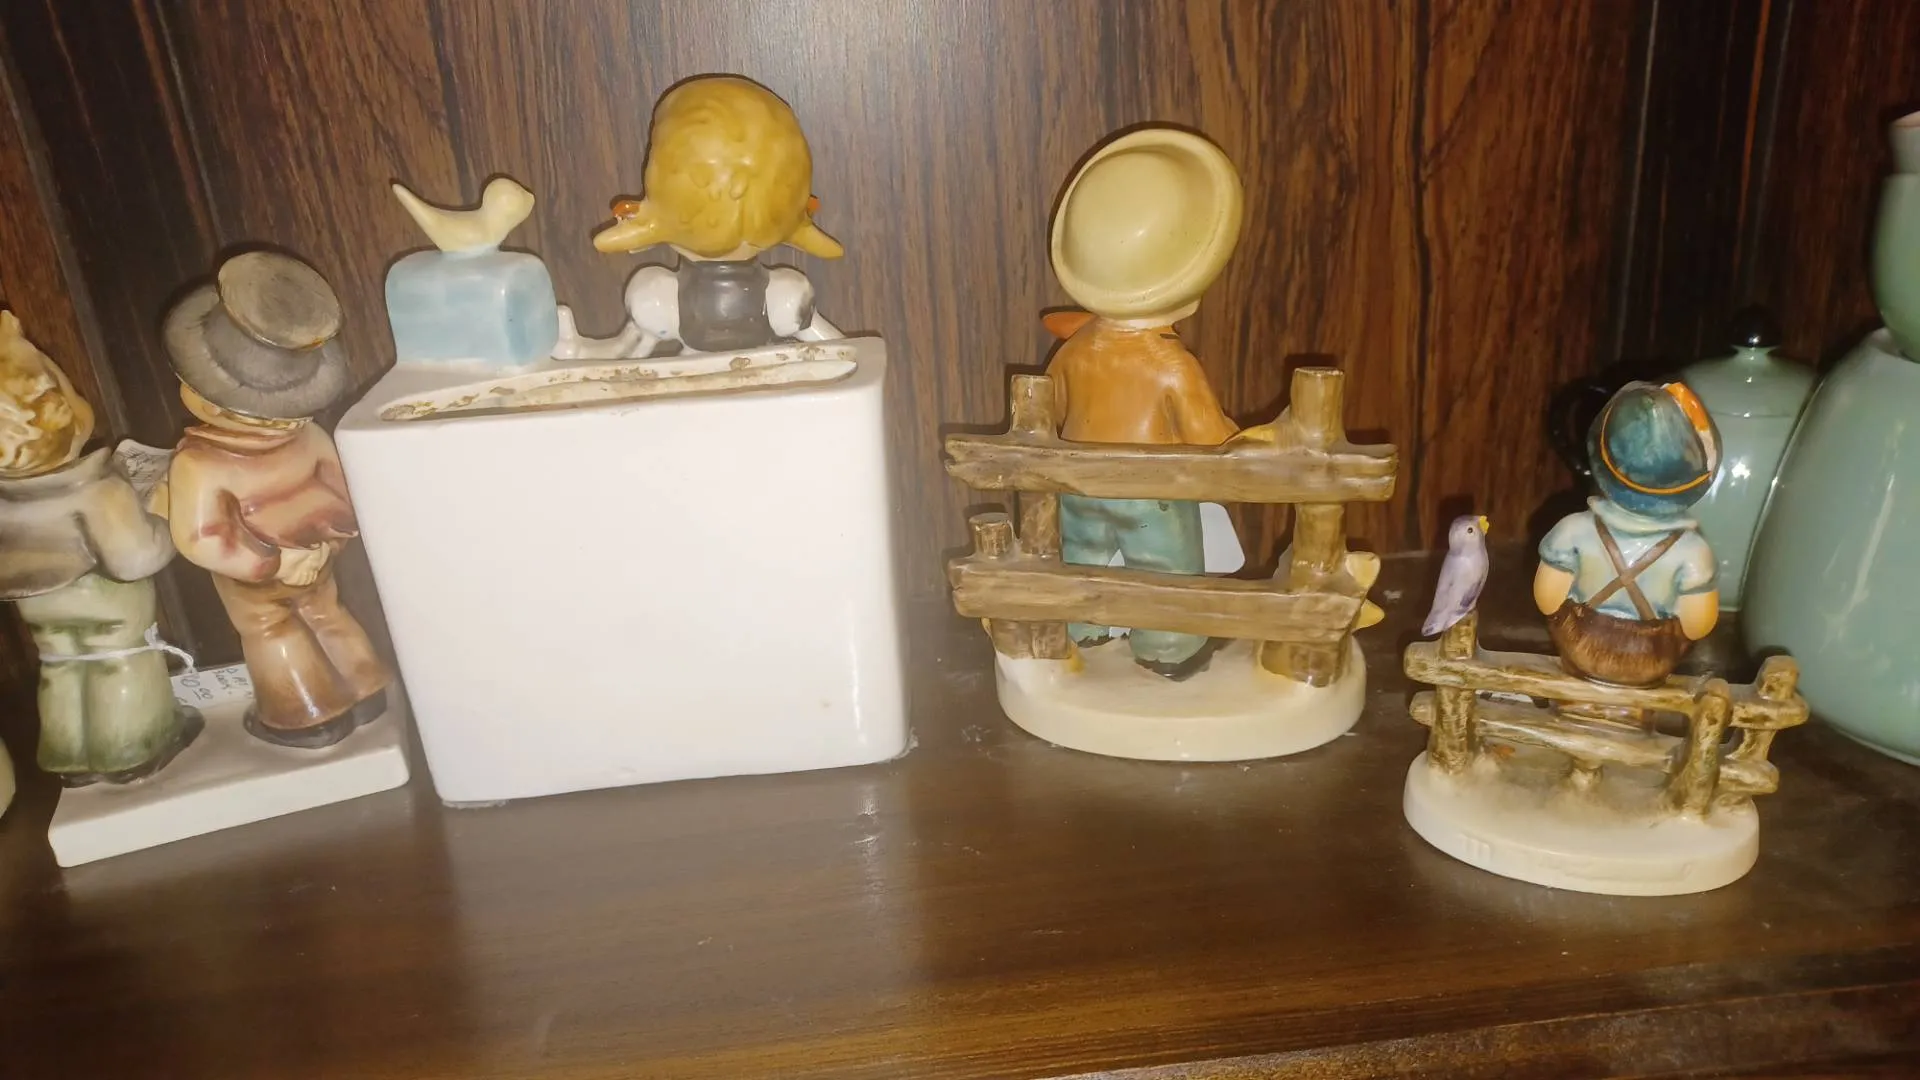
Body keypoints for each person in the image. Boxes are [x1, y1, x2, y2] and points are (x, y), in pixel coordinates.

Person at [163, 251, 392, 748]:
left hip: (259, 573)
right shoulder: (310, 437)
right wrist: (320, 547)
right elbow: (346, 491)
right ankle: (365, 686)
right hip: (315, 556)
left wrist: (274, 561)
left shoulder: (199, 465)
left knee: (271, 629)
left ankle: (307, 713)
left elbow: (202, 537)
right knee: (328, 611)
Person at [1043, 128, 1246, 680]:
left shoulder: (1075, 348)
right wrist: (1251, 440)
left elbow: (1050, 406)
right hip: (1148, 493)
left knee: (1083, 556)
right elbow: (1211, 439)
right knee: (1165, 571)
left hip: (1080, 486)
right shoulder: (1170, 364)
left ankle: (1083, 627)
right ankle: (1168, 646)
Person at [0, 311, 197, 784]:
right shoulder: (98, 493)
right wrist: (165, 516)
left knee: (61, 666)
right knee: (115, 662)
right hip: (106, 605)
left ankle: (70, 752)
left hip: (39, 606)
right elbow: (135, 559)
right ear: (59, 410)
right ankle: (128, 745)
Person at [559, 75, 843, 359]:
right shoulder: (658, 300)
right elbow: (628, 353)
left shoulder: (785, 299)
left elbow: (841, 353)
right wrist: (580, 353)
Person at [1535, 381, 1722, 686]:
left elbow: (1547, 599)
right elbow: (1697, 624)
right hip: (1649, 658)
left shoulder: (1573, 530)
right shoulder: (1693, 552)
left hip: (1582, 647)